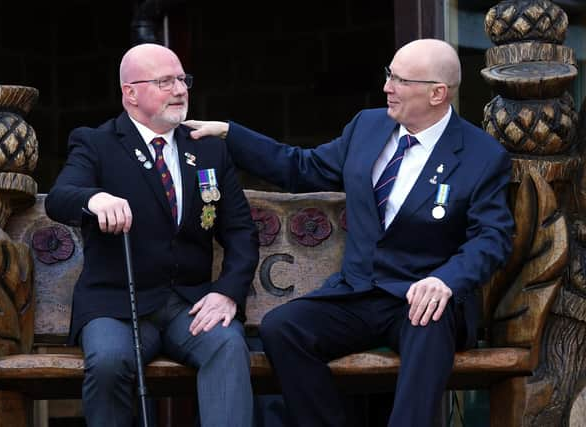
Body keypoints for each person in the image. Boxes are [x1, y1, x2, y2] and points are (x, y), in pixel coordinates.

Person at [184, 38, 514, 427]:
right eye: (389, 74)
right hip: (358, 292)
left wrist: (445, 280)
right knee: (282, 329)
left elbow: (492, 236)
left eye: (401, 80)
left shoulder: (481, 155)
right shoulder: (367, 126)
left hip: (420, 298)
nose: (388, 87)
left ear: (438, 94)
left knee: (429, 326)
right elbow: (300, 167)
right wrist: (230, 134)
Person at [45, 43, 259, 427]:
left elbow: (241, 231)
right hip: (117, 303)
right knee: (109, 362)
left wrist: (227, 291)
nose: (180, 90)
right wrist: (94, 199)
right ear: (130, 93)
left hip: (188, 303)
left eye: (182, 79)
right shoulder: (97, 143)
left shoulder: (208, 150)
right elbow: (60, 197)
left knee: (228, 347)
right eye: (165, 81)